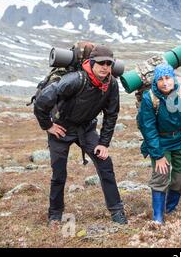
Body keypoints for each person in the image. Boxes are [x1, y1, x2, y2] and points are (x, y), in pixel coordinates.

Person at [34, 45, 128, 225]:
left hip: (86, 129)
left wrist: (104, 143)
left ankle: (117, 211)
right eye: (101, 63)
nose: (105, 67)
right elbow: (42, 102)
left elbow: (111, 114)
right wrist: (48, 126)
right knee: (59, 173)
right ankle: (55, 214)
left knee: (105, 164)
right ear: (91, 63)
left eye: (109, 63)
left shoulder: (111, 84)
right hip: (61, 129)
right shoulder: (74, 80)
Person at [137, 64, 181, 224]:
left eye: (168, 78)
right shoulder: (149, 98)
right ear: (156, 82)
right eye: (160, 79)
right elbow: (148, 128)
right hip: (160, 142)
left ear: (173, 78)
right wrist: (158, 155)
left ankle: (170, 208)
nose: (165, 82)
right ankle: (158, 217)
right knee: (161, 176)